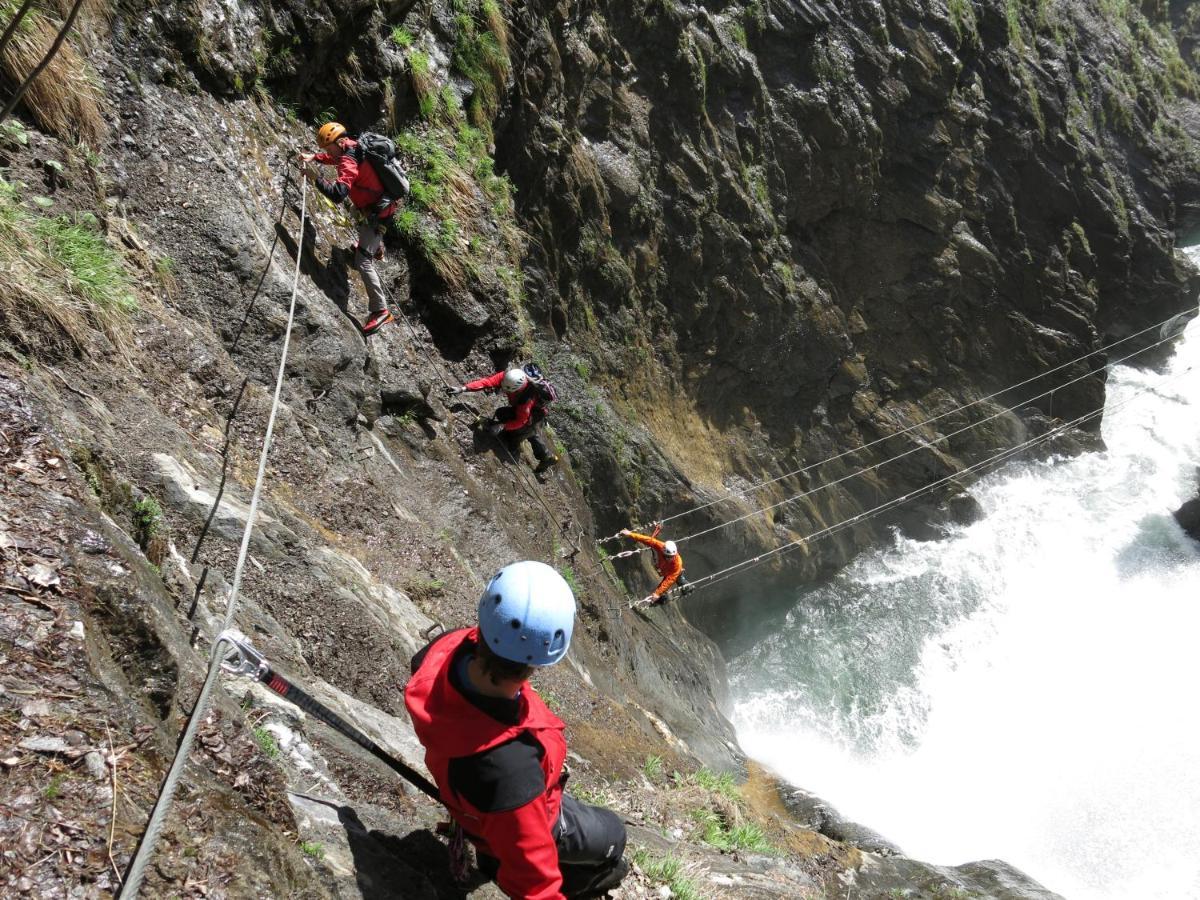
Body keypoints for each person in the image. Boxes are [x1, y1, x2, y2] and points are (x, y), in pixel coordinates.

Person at [405, 561, 629, 899]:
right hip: (523, 813)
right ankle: (583, 882)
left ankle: (494, 855)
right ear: (542, 659)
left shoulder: (443, 652)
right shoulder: (510, 772)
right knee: (615, 837)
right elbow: (535, 884)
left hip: (483, 807)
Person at [298, 122, 396, 335]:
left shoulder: (349, 158)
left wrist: (316, 177)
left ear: (339, 142)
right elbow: (338, 158)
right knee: (362, 226)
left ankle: (380, 310)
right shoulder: (353, 146)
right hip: (380, 205)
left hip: (379, 213)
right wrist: (315, 157)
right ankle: (374, 244)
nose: (327, 151)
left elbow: (338, 194)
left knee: (362, 260)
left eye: (328, 147)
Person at [449, 366, 559, 473]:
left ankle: (522, 447)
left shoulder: (526, 399)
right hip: (527, 413)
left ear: (518, 389)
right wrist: (463, 388)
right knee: (505, 416)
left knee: (513, 439)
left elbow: (521, 421)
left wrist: (502, 426)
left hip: (533, 416)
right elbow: (486, 382)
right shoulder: (507, 376)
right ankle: (546, 457)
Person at [619, 524, 687, 604]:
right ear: (663, 551)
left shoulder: (677, 563)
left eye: (671, 557)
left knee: (660, 595)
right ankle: (662, 597)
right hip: (663, 569)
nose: (669, 558)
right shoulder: (661, 546)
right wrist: (630, 534)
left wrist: (657, 593)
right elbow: (647, 540)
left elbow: (669, 580)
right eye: (667, 556)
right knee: (658, 593)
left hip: (671, 573)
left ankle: (681, 583)